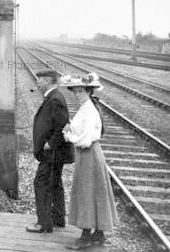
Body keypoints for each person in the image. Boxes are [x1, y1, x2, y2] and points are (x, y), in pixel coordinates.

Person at [60, 73, 118, 249]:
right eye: (75, 91)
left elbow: (85, 139)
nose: (77, 94)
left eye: (80, 91)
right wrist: (72, 125)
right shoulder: (86, 107)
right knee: (94, 192)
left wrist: (68, 136)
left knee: (87, 192)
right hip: (88, 155)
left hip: (89, 153)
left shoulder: (89, 109)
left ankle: (86, 237)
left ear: (88, 91)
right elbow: (83, 129)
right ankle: (98, 235)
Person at [26, 69, 74, 234]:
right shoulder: (54, 97)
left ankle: (44, 223)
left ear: (47, 80)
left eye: (39, 80)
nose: (37, 82)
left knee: (42, 183)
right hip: (55, 153)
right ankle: (58, 219)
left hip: (52, 153)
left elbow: (62, 125)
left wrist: (50, 143)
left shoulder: (54, 99)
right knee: (55, 183)